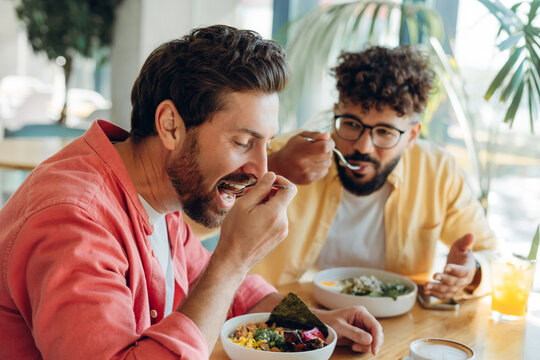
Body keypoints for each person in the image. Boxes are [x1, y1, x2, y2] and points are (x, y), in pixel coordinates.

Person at [0, 26, 383, 359]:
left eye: (265, 144)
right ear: (170, 126)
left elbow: (227, 288)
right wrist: (233, 257)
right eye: (243, 142)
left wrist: (311, 326)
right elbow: (222, 276)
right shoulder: (73, 220)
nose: (262, 169)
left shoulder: (161, 193)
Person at [254, 45, 498, 300]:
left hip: (398, 324)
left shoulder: (436, 171)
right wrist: (274, 167)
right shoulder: (286, 153)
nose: (363, 146)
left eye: (384, 132)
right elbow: (209, 227)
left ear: (412, 135)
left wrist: (472, 270)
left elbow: (491, 255)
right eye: (350, 124)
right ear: (336, 113)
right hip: (286, 316)